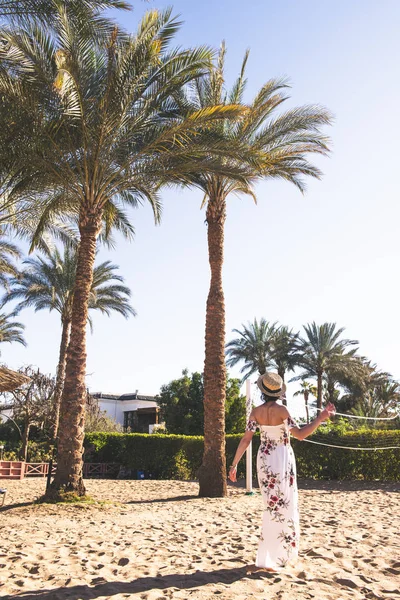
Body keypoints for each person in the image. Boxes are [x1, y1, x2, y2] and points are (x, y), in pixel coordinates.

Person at [228, 371, 335, 572]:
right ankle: (283, 555)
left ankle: (269, 554)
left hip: (265, 460)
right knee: (286, 506)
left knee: (271, 507)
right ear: (278, 392)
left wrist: (234, 465)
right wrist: (320, 418)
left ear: (262, 391)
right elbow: (301, 435)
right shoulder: (283, 410)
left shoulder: (255, 413)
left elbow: (245, 440)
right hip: (283, 460)